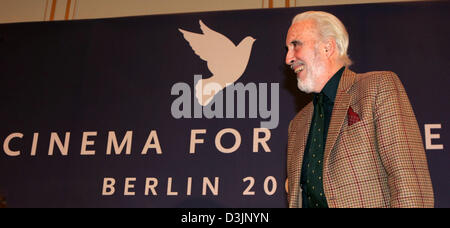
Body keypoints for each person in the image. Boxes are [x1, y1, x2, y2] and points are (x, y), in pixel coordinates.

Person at [285, 11, 434, 208]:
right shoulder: (297, 124)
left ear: (327, 47)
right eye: (287, 49)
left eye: (295, 45)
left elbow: (409, 183)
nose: (288, 58)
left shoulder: (377, 87)